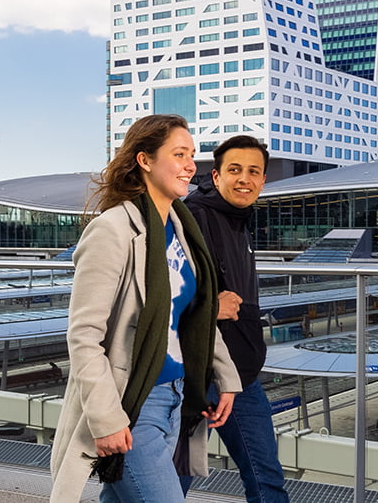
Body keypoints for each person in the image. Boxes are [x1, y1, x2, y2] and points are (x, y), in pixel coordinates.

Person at [48, 114, 242, 503]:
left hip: (174, 396)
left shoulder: (181, 229)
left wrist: (226, 378)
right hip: (133, 403)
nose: (191, 165)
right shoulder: (113, 230)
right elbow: (84, 336)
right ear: (145, 160)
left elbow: (196, 315)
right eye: (179, 154)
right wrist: (106, 419)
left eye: (192, 155)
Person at [184, 134, 289, 503]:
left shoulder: (237, 221)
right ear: (215, 177)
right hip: (198, 371)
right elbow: (160, 293)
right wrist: (210, 306)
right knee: (173, 479)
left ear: (263, 181)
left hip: (240, 373)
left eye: (253, 171)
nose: (244, 179)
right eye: (234, 170)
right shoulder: (193, 218)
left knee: (266, 476)